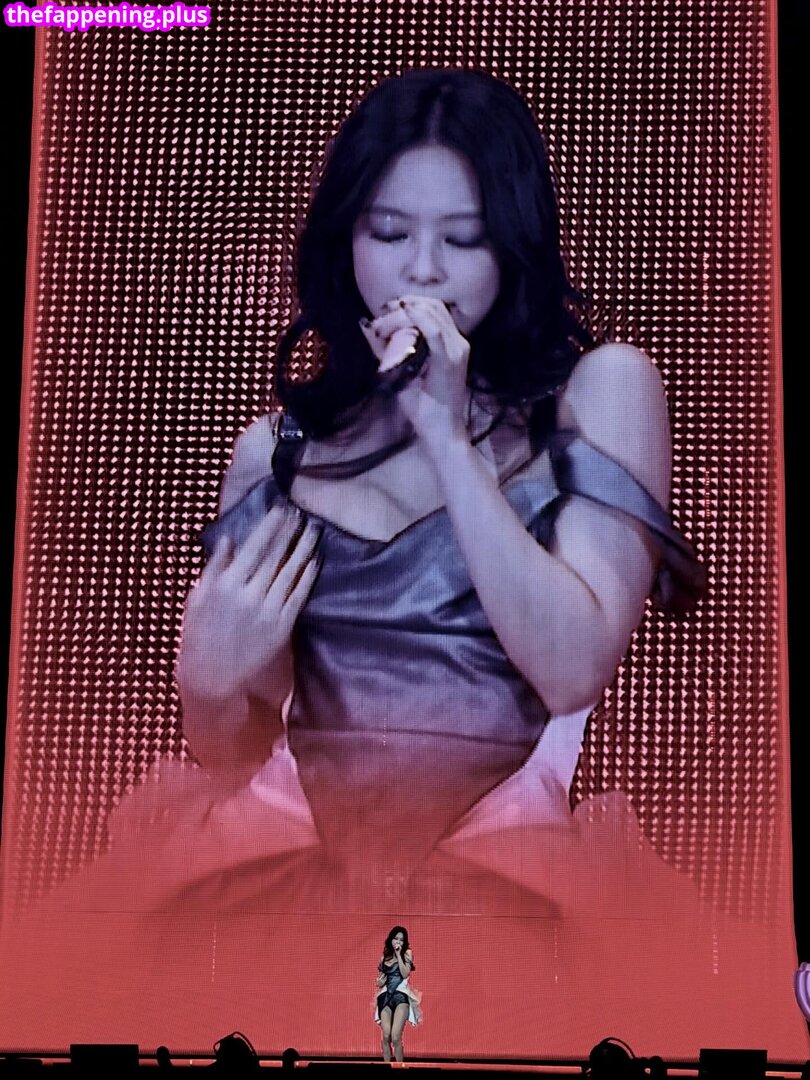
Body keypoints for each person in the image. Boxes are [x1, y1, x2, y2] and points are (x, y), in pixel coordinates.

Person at [176, 65, 704, 900]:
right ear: (348, 239)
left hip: (508, 871)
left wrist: (448, 438)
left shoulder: (600, 392)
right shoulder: (276, 455)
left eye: (463, 239)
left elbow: (573, 667)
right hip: (284, 865)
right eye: (389, 232)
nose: (422, 271)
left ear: (513, 245)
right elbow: (235, 753)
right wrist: (204, 686)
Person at [374, 926, 421, 1062]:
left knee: (395, 1036)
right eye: (396, 939)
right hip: (385, 997)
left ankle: (400, 1068)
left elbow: (405, 973)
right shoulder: (384, 958)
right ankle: (387, 1066)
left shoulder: (407, 953)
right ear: (391, 940)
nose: (398, 942)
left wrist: (399, 955)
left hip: (400, 996)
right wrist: (379, 982)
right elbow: (381, 980)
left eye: (401, 940)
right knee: (386, 1036)